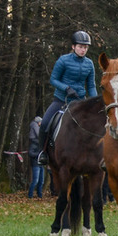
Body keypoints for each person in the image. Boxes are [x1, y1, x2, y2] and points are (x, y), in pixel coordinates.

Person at [37, 30, 98, 166]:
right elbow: (53, 79)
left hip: (80, 102)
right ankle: (42, 152)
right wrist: (66, 88)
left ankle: (94, 154)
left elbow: (91, 86)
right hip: (61, 100)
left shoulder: (89, 64)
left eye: (85, 47)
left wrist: (95, 102)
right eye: (80, 47)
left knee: (96, 123)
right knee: (45, 123)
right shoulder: (63, 60)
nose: (83, 50)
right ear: (73, 46)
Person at [27, 116, 45, 198]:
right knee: (35, 181)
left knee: (41, 181)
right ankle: (30, 195)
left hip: (41, 163)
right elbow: (30, 153)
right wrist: (38, 154)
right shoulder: (34, 144)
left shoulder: (39, 144)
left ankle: (39, 195)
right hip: (35, 164)